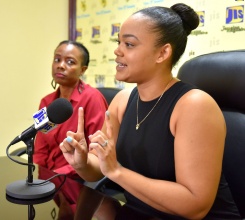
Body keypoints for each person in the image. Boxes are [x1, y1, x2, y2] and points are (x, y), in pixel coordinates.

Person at [59, 3, 241, 219]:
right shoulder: (122, 101)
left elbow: (195, 205)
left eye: (129, 44)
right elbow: (99, 168)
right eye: (119, 42)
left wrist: (118, 172)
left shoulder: (194, 106)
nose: (117, 50)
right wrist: (82, 162)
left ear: (162, 53)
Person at [33, 40, 108, 177]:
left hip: (78, 178)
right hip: (47, 178)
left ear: (82, 70)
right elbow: (40, 149)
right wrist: (38, 174)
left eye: (70, 62)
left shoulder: (92, 98)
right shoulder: (46, 101)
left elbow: (97, 153)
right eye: (57, 59)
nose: (60, 66)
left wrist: (56, 175)